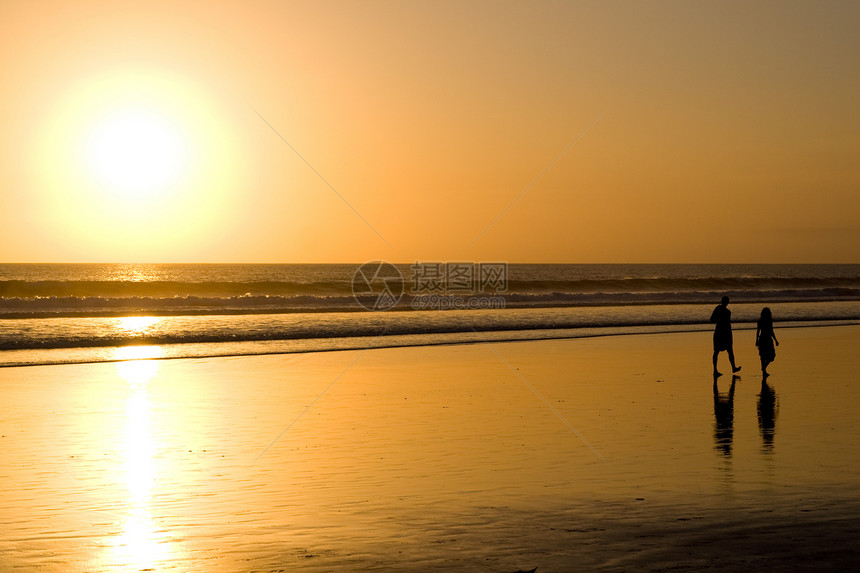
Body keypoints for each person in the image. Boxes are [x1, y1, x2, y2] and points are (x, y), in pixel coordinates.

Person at [711, 295, 741, 376]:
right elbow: (714, 320)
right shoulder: (727, 311)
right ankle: (731, 368)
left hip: (721, 332)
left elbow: (712, 320)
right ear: (727, 302)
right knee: (727, 351)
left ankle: (717, 370)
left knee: (718, 351)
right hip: (725, 333)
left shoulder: (720, 309)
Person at [755, 307, 779, 376]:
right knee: (768, 356)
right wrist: (775, 340)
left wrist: (756, 340)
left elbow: (758, 332)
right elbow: (771, 331)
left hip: (763, 339)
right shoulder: (764, 321)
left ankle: (763, 368)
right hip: (766, 339)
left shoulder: (763, 321)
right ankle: (764, 370)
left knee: (766, 356)